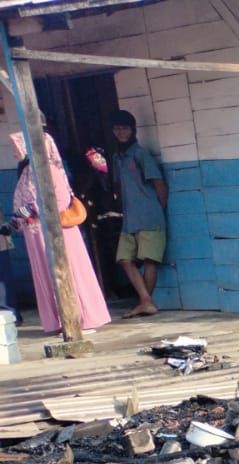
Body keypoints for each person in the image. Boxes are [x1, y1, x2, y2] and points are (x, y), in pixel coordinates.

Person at [7, 132, 111, 335]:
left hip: (56, 233)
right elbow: (24, 202)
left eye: (17, 146)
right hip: (35, 234)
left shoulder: (51, 170)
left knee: (67, 273)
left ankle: (83, 319)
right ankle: (59, 321)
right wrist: (17, 219)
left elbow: (60, 201)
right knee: (46, 275)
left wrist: (29, 210)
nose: (14, 151)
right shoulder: (28, 171)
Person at [110, 110, 166, 318]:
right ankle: (146, 301)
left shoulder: (141, 154)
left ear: (133, 130)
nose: (121, 132)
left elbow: (159, 184)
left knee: (150, 260)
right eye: (117, 128)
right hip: (129, 218)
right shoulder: (117, 157)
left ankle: (145, 302)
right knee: (124, 259)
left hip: (150, 216)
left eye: (125, 128)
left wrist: (158, 209)